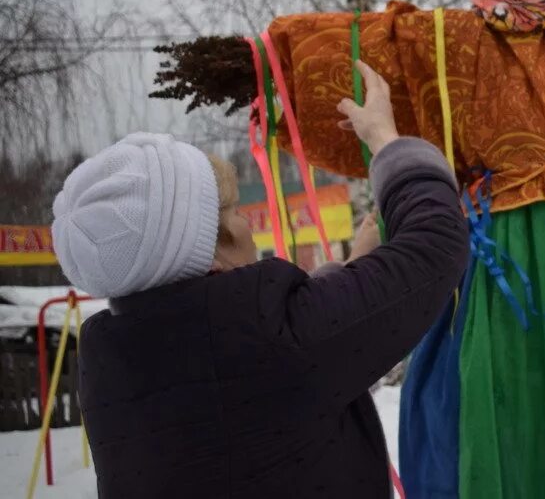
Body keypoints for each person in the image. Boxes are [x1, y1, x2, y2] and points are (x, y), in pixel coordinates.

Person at [51, 60, 467, 498]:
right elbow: (435, 242)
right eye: (232, 212)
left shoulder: (110, 362)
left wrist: (347, 274)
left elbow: (262, 388)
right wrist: (385, 138)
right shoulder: (274, 338)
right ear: (206, 249)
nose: (248, 222)